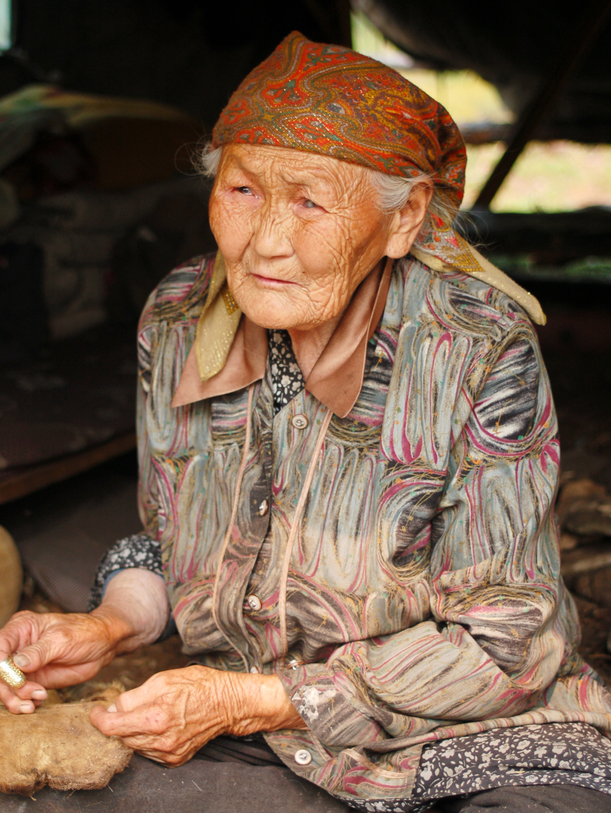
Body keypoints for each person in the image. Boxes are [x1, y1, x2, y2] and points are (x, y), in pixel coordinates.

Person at [1, 31, 611, 813]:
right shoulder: (180, 314)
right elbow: (173, 538)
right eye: (242, 191)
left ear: (404, 218)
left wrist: (256, 698)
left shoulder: (475, 348)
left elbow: (509, 643)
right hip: (251, 734)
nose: (265, 243)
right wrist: (106, 628)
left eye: (310, 202)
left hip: (451, 734)